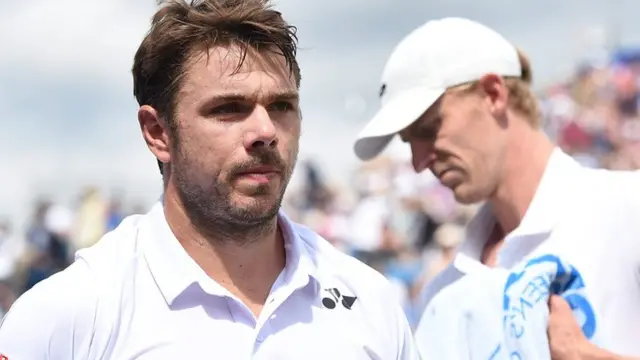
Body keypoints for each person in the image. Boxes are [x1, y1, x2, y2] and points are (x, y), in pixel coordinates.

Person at [0, 1, 418, 359]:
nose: (265, 130)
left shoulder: (369, 302)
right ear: (158, 133)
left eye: (281, 105)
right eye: (229, 108)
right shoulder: (69, 315)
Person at [352, 17, 640, 359]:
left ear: (493, 94)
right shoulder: (442, 297)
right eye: (409, 141)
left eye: (429, 129)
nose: (419, 161)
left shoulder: (626, 208)